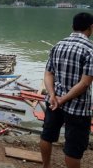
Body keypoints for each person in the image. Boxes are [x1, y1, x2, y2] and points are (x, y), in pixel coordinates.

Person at [40, 12, 93, 168]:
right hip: (78, 108)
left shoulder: (58, 45)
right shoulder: (90, 50)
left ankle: (46, 166)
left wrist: (53, 96)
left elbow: (48, 73)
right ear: (91, 27)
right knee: (73, 150)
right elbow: (84, 84)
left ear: (72, 27)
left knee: (47, 136)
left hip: (53, 102)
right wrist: (63, 99)